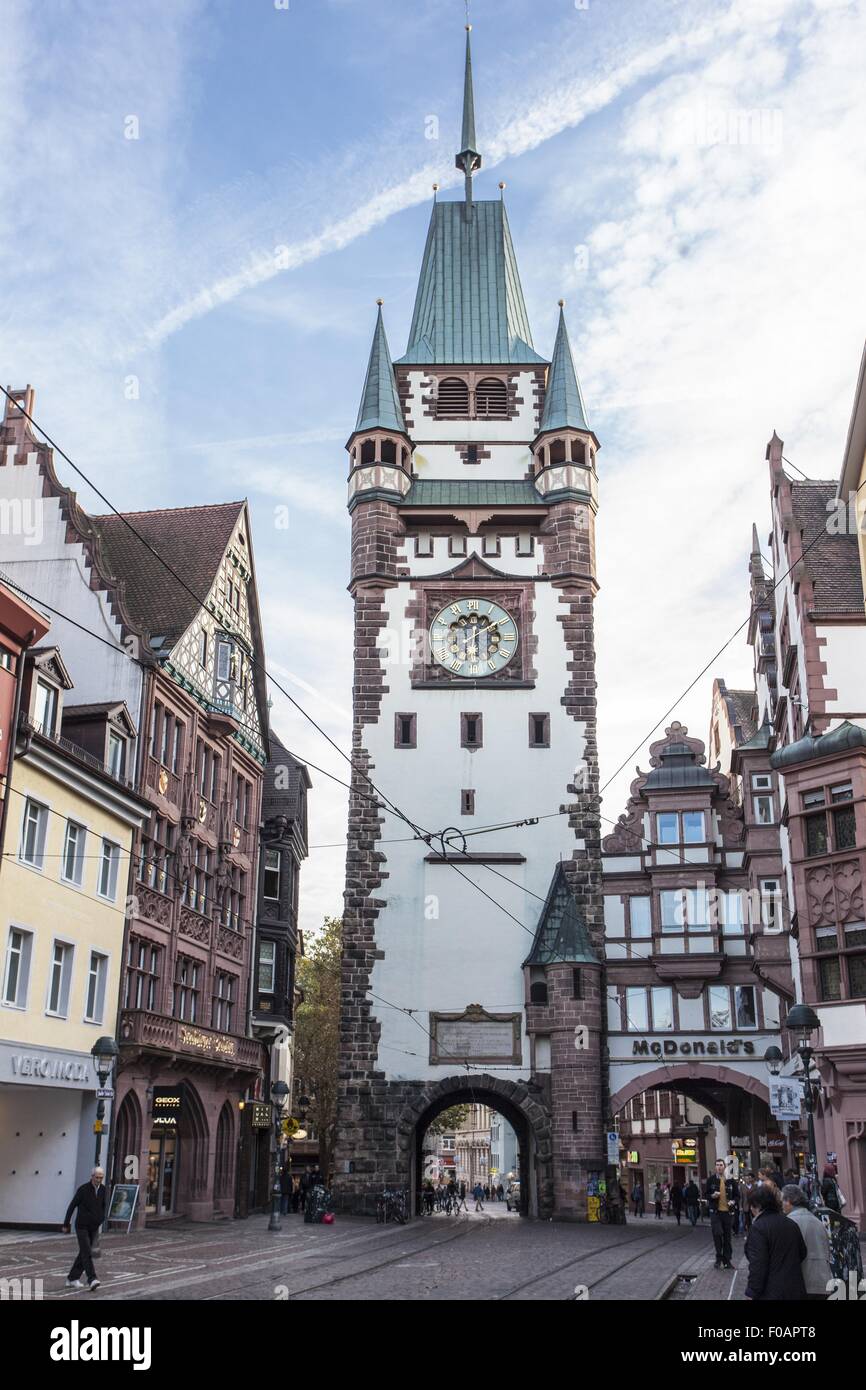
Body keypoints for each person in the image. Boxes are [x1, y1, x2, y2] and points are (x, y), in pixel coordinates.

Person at [744, 1185, 807, 1300]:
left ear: (756, 1206)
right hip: (795, 1288)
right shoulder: (791, 1223)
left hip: (771, 1291)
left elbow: (758, 1263)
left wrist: (752, 1291)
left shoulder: (758, 1228)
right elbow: (802, 1252)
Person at [781, 1184, 831, 1300]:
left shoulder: (789, 1222)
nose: (781, 1205)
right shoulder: (817, 1222)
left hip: (803, 1282)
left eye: (782, 1200)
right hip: (823, 1281)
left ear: (789, 1201)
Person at [62, 1166, 106, 1291]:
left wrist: (101, 1219)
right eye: (97, 1177)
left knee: (84, 1252)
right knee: (87, 1252)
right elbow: (72, 1206)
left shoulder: (103, 1190)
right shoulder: (83, 1189)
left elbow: (103, 1206)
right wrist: (66, 1224)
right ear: (92, 1177)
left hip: (94, 1226)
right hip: (81, 1226)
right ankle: (92, 1279)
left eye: (101, 1178)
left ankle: (72, 1278)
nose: (99, 1180)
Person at [705, 1159, 740, 1269]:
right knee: (718, 1234)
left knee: (727, 1237)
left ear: (724, 1167)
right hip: (715, 1212)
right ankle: (718, 1259)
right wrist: (712, 1196)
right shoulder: (711, 1180)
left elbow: (737, 1195)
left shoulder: (730, 1180)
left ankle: (727, 1260)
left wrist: (733, 1201)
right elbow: (706, 1195)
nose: (719, 1167)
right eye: (717, 1165)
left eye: (721, 1165)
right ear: (715, 1167)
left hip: (728, 1212)